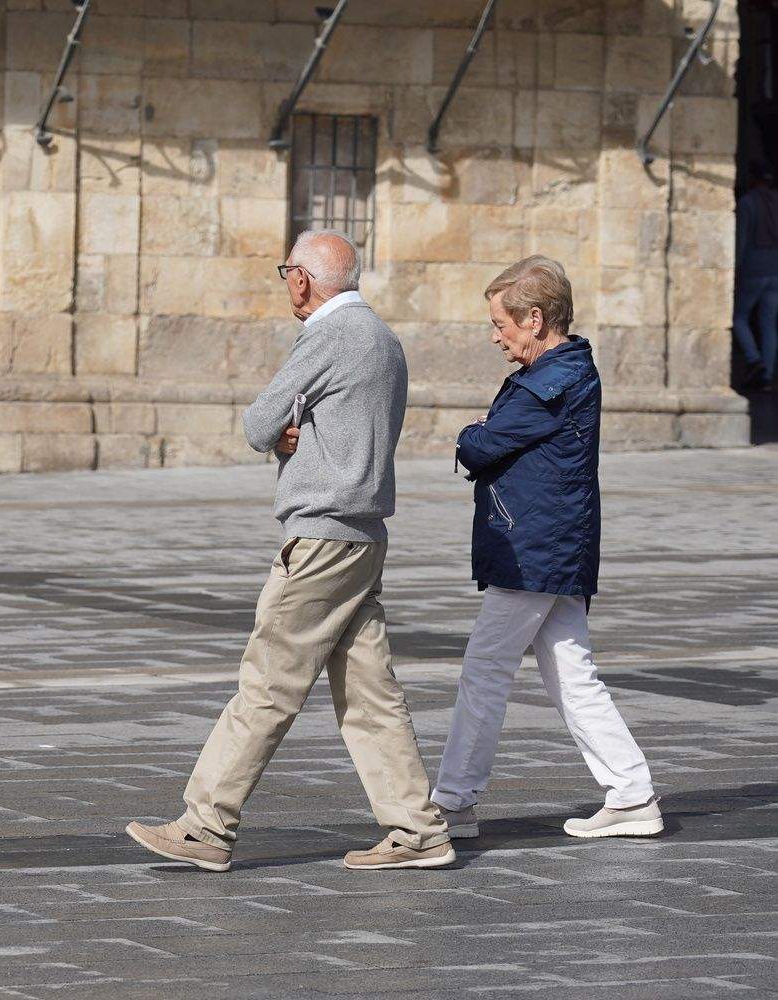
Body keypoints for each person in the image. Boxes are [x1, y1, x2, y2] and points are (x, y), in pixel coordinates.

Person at [125, 229, 454, 873]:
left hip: (321, 536)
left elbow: (257, 423)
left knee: (269, 682)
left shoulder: (328, 336)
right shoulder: (385, 340)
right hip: (364, 535)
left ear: (301, 280)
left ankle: (205, 826)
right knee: (368, 691)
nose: (285, 287)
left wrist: (284, 438)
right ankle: (418, 830)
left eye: (286, 274)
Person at [432, 255, 661, 841]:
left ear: (534, 319)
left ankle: (453, 802)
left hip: (534, 548)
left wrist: (471, 432)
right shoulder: (560, 375)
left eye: (501, 324)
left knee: (485, 669)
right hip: (550, 543)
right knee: (570, 673)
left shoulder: (551, 382)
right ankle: (631, 793)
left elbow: (483, 447)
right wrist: (485, 433)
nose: (495, 337)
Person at [735, 168, 778, 392]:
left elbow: (741, 240)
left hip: (753, 268)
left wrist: (736, 269)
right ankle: (768, 375)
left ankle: (754, 360)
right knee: (769, 323)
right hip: (775, 271)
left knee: (739, 317)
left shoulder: (747, 203)